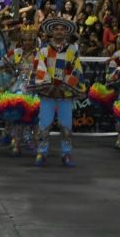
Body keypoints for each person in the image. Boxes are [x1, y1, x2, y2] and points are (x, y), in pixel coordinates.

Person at [31, 17, 86, 167]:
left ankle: (66, 153)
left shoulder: (72, 50)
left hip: (65, 94)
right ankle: (41, 152)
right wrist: (51, 85)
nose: (59, 31)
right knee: (44, 124)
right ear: (51, 32)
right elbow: (39, 69)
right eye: (56, 29)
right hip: (48, 93)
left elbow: (77, 70)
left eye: (62, 29)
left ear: (66, 32)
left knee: (66, 125)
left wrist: (64, 85)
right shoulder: (43, 51)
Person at [0, 25, 41, 157]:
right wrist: (8, 75)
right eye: (24, 40)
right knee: (18, 117)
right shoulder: (16, 52)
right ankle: (16, 143)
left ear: (34, 40)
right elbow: (2, 64)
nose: (27, 43)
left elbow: (47, 70)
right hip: (18, 87)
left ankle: (35, 144)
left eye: (30, 40)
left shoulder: (39, 54)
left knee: (35, 119)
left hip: (34, 87)